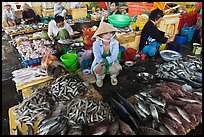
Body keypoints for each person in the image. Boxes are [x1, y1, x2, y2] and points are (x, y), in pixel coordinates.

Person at [91, 22, 122, 87]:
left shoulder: (115, 43)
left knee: (116, 68)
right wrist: (100, 65)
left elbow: (114, 57)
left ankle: (113, 76)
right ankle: (100, 78)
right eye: (105, 33)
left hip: (111, 62)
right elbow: (98, 58)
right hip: (99, 62)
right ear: (101, 35)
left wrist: (102, 63)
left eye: (111, 33)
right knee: (99, 69)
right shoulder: (95, 44)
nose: (109, 36)